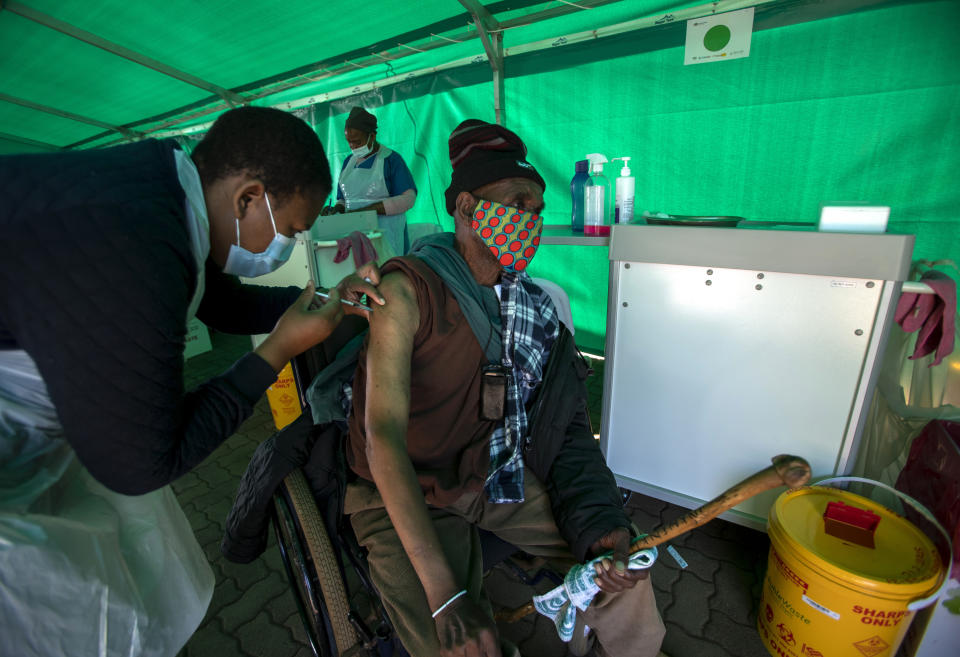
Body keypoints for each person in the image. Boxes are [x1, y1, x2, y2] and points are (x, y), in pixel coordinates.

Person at [0, 106, 383, 657]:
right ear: (249, 197)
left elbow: (212, 295)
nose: (292, 246)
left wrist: (325, 302)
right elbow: (143, 464)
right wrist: (278, 351)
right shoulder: (131, 243)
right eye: (293, 230)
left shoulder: (166, 189)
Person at [344, 119, 665, 657]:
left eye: (538, 211)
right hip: (401, 490)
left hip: (491, 472)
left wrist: (601, 522)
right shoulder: (408, 291)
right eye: (518, 203)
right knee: (459, 646)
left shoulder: (536, 311)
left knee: (620, 570)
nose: (531, 222)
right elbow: (382, 438)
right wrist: (445, 596)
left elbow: (566, 434)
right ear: (468, 209)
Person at [322, 106, 417, 257]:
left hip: (387, 234)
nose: (352, 146)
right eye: (349, 142)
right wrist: (337, 211)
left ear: (372, 136)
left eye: (357, 142)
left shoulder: (390, 159)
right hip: (354, 234)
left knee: (387, 270)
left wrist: (365, 212)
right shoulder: (348, 162)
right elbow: (342, 199)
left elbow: (408, 199)